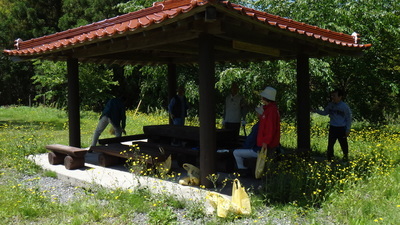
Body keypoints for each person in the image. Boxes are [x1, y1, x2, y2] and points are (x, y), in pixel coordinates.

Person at [313, 89, 352, 161]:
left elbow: (349, 118)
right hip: (333, 127)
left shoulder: (344, 107)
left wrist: (347, 129)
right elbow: (325, 112)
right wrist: (315, 110)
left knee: (343, 144)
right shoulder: (330, 105)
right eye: (332, 96)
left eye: (334, 96)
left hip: (341, 128)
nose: (333, 97)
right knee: (330, 145)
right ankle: (330, 159)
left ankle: (345, 158)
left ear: (340, 97)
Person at [233, 106, 264, 176]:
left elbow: (252, 139)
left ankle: (242, 170)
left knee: (236, 152)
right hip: (260, 148)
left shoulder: (258, 125)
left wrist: (245, 146)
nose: (256, 114)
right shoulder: (263, 124)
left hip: (256, 150)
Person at [257, 86, 280, 160]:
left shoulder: (271, 110)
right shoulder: (269, 109)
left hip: (268, 144)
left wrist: (266, 141)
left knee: (266, 164)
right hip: (267, 143)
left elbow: (270, 127)